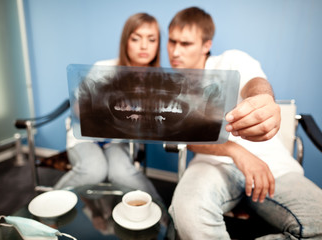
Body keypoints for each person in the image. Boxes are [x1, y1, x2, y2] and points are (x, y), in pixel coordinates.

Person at [167, 7, 322, 239]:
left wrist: (263, 98)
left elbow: (255, 82)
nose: (175, 51)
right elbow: (186, 139)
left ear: (206, 45)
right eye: (172, 41)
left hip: (272, 166)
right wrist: (236, 152)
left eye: (185, 43)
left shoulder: (231, 60)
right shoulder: (170, 85)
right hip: (212, 165)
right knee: (187, 213)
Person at [54, 13, 162, 201]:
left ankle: (162, 220)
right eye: (136, 38)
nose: (144, 46)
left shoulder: (159, 81)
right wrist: (104, 103)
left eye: (151, 39)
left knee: (122, 173)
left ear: (158, 44)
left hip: (120, 142)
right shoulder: (103, 68)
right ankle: (46, 212)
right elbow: (77, 110)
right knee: (94, 170)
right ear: (125, 41)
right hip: (85, 138)